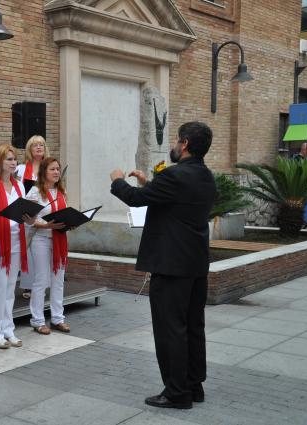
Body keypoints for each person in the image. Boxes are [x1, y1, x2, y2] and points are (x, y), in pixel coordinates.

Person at [110, 121, 216, 410]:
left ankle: (176, 392)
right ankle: (194, 386)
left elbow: (134, 199)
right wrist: (149, 184)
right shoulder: (205, 176)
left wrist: (118, 180)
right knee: (193, 326)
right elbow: (176, 201)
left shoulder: (175, 175)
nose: (173, 144)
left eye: (176, 140)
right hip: (195, 265)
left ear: (185, 144)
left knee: (171, 329)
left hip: (171, 266)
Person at [0, 144, 33, 349]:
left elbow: (22, 213)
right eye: (9, 159)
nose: (13, 162)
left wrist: (29, 219)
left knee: (10, 288)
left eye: (15, 159)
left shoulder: (19, 186)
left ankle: (8, 329)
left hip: (16, 240)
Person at [26, 157, 70, 335]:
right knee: (41, 280)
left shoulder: (61, 191)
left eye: (58, 169)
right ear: (44, 172)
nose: (56, 172)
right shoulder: (35, 192)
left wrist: (70, 223)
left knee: (58, 280)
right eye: (52, 169)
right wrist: (46, 225)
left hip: (59, 239)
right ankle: (37, 320)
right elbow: (28, 219)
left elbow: (65, 214)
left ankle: (58, 318)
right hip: (41, 239)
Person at [15, 135, 49, 299]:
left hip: (45, 213)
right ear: (29, 149)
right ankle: (28, 286)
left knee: (42, 252)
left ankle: (42, 284)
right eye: (35, 145)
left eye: (41, 144)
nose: (39, 147)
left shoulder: (49, 167)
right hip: (27, 214)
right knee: (28, 251)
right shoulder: (21, 169)